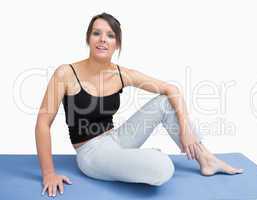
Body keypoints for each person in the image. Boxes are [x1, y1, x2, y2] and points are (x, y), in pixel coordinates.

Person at [35, 12, 243, 197]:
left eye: (110, 35)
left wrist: (186, 129)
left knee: (165, 102)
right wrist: (49, 173)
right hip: (91, 153)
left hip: (117, 138)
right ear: (88, 38)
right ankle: (147, 158)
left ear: (117, 43)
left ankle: (206, 159)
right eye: (96, 33)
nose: (103, 40)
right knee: (162, 168)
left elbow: (172, 90)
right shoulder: (65, 73)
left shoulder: (121, 74)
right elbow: (43, 124)